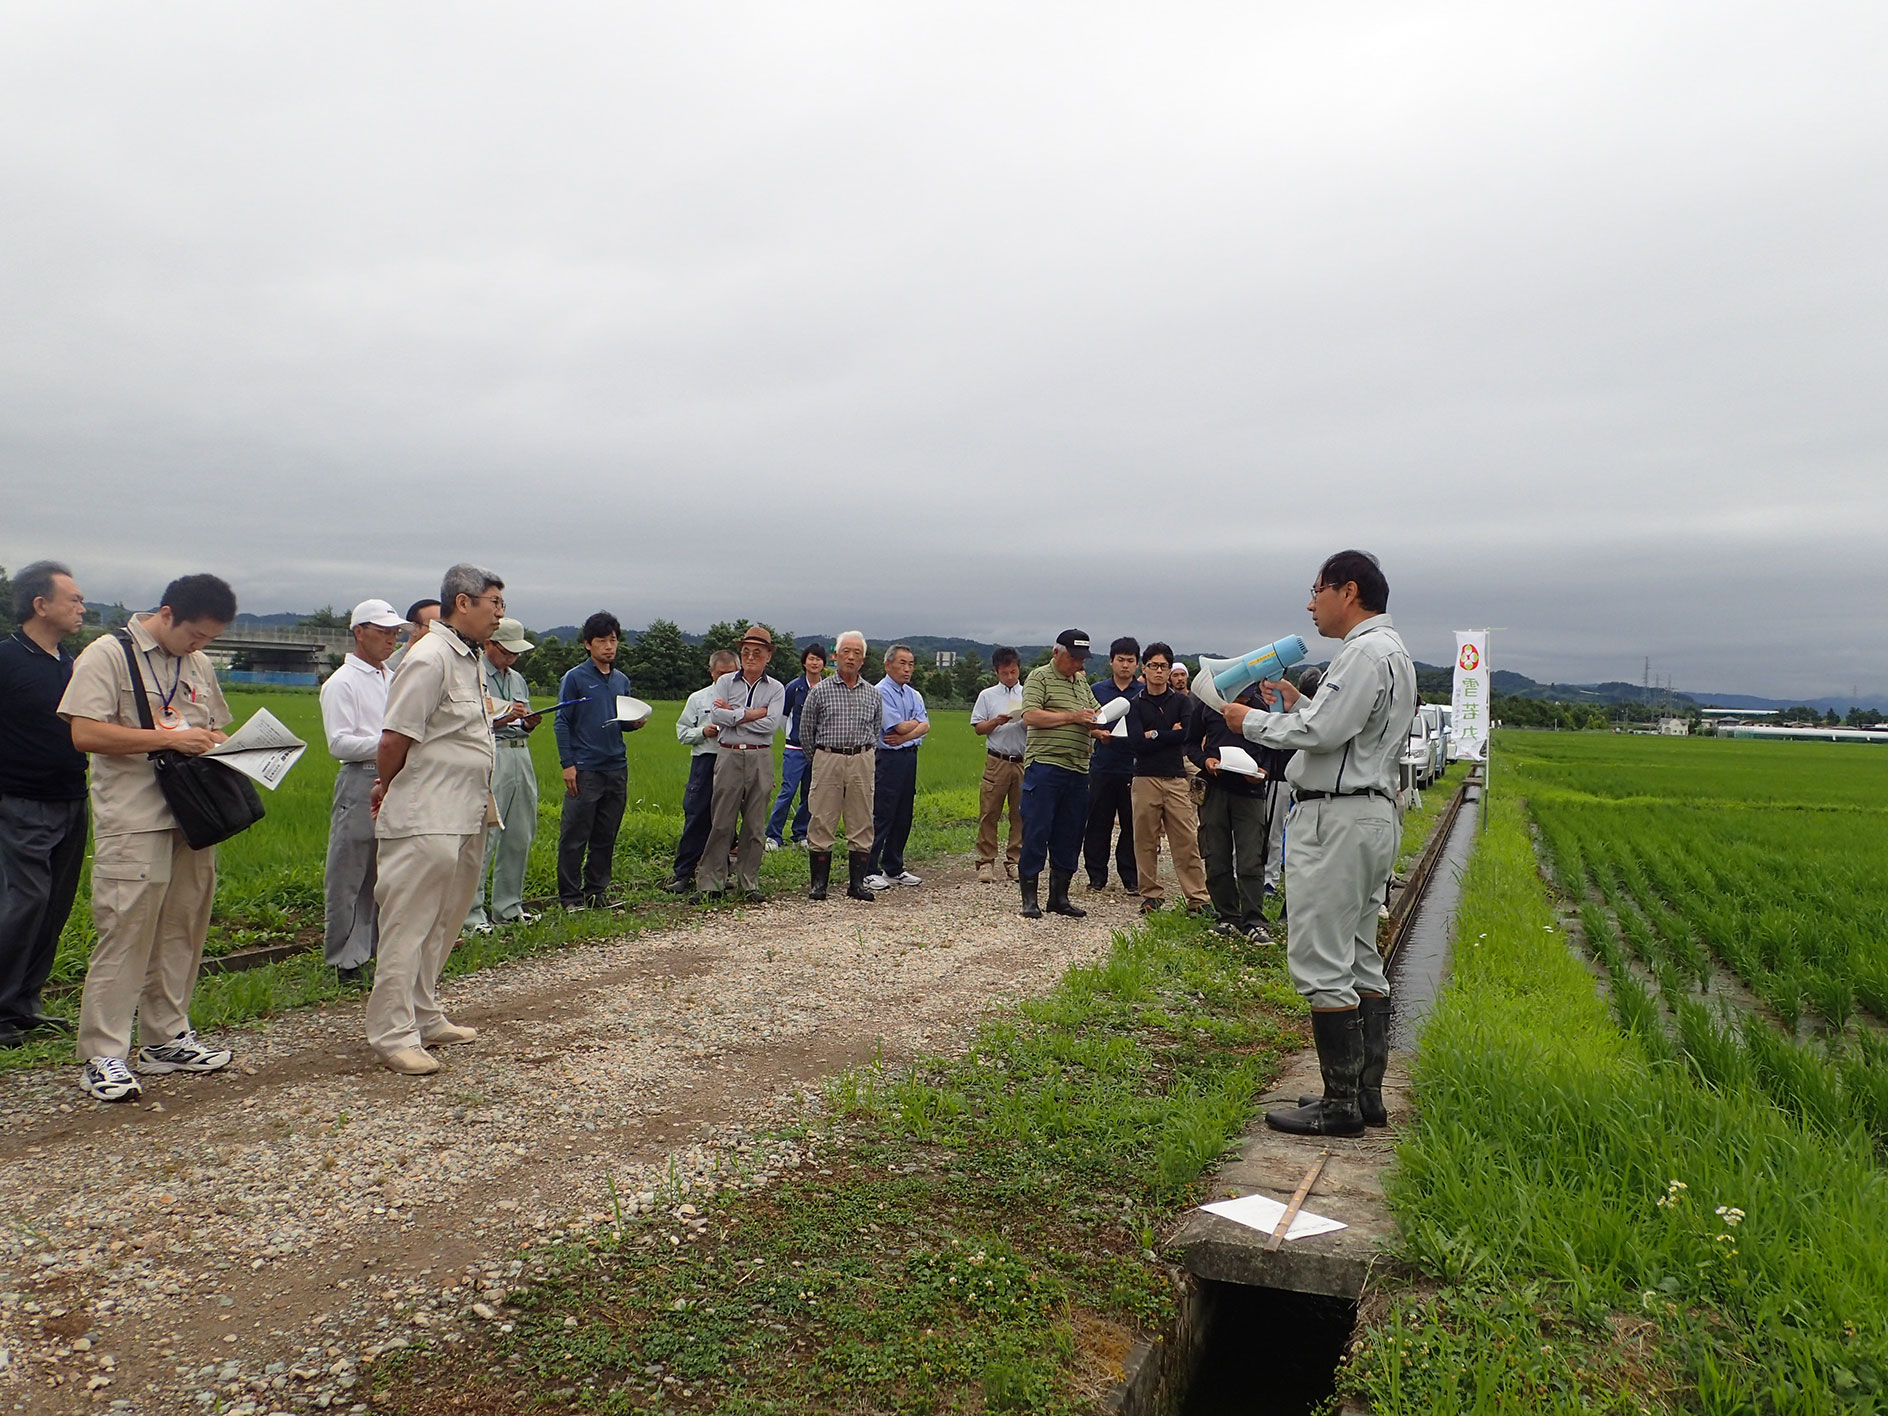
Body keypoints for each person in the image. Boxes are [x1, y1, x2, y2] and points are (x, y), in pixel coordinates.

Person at [1223, 551, 1415, 1138]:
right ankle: (1364, 1094)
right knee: (1359, 952)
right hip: (1370, 814)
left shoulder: (1361, 652)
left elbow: (1324, 734)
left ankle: (1338, 1108)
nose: (1310, 604)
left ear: (1347, 590)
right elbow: (1342, 730)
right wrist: (1301, 705)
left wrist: (1248, 720)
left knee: (1321, 960)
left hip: (1335, 819)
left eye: (1316, 591)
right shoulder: (1394, 653)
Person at [58, 574, 239, 1102]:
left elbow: (213, 726)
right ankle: (103, 1054)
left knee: (183, 927)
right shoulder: (107, 655)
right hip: (136, 817)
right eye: (196, 635)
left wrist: (230, 744)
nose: (200, 646)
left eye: (209, 639)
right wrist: (168, 739)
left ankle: (166, 1039)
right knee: (127, 931)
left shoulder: (198, 663)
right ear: (167, 614)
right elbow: (84, 733)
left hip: (195, 816)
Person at [366, 564, 504, 1077]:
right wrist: (388, 785)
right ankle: (391, 1032)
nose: (500, 614)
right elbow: (393, 739)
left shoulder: (468, 658)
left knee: (445, 919)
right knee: (408, 922)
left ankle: (424, 1013)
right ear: (463, 603)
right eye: (494, 603)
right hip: (426, 813)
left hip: (465, 810)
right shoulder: (428, 657)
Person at [0, 561, 90, 1047]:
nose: (81, 607)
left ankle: (24, 1004)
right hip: (20, 802)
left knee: (53, 906)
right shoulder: (6, 660)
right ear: (40, 605)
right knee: (23, 902)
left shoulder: (69, 663)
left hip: (72, 797)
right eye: (73, 599)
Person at [318, 598, 405, 985]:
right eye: (383, 632)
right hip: (361, 777)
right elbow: (339, 743)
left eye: (394, 633)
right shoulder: (342, 682)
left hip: (396, 776)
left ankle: (378, 949)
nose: (391, 639)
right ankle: (346, 960)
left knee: (386, 869)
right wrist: (390, 742)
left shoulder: (391, 676)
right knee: (352, 870)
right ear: (359, 632)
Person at [552, 612, 644, 910]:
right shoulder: (575, 678)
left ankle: (596, 892)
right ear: (587, 644)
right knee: (575, 835)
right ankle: (569, 897)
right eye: (602, 641)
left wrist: (634, 724)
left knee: (606, 834)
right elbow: (562, 722)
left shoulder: (621, 681)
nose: (609, 646)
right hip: (585, 768)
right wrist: (568, 764)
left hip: (616, 766)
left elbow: (620, 722)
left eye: (613, 640)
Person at [462, 618, 543, 933]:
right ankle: (471, 915)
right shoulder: (473, 673)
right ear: (490, 645)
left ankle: (509, 907)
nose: (511, 659)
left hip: (520, 754)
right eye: (507, 652)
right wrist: (504, 717)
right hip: (490, 752)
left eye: (516, 654)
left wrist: (527, 722)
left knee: (520, 832)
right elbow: (468, 722)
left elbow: (520, 720)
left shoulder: (518, 679)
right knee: (485, 834)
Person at [694, 625, 785, 902]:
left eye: (757, 652)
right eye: (746, 651)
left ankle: (749, 883)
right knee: (721, 821)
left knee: (755, 825)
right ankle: (711, 883)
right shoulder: (725, 682)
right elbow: (717, 717)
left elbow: (770, 725)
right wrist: (751, 713)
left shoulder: (777, 688)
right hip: (728, 754)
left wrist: (735, 713)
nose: (750, 656)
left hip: (760, 756)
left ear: (768, 655)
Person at [1017, 630, 1102, 919]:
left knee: (1070, 833)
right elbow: (1030, 716)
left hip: (1078, 769)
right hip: (1046, 766)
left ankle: (1059, 897)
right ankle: (1029, 897)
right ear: (1057, 653)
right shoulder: (1039, 677)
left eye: (1082, 659)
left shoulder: (1081, 681)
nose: (1079, 664)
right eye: (1074, 658)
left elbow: (1095, 713)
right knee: (1037, 830)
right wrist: (1072, 717)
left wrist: (1100, 729)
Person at [1193, 682, 1287, 941]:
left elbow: (1273, 748)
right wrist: (1205, 761)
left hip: (1250, 793)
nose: (1243, 695)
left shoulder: (1261, 708)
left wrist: (1263, 772)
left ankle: (1255, 920)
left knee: (1250, 858)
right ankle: (1227, 916)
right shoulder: (1208, 707)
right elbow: (1189, 743)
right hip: (1214, 788)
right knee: (1216, 855)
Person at [1126, 644, 1211, 914]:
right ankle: (1151, 895)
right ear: (1144, 668)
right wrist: (1165, 733)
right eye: (1153, 666)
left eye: (1164, 666)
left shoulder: (1182, 702)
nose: (1159, 671)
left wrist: (1155, 734)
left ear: (1170, 669)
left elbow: (1185, 736)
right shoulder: (1135, 704)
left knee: (1186, 839)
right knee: (1145, 840)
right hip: (1145, 777)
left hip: (1176, 777)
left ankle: (1197, 898)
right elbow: (1137, 742)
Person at [799, 632, 881, 902]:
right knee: (822, 817)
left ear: (863, 659)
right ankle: (818, 884)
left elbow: (876, 728)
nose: (851, 657)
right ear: (835, 655)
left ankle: (856, 884)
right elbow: (806, 730)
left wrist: (863, 756)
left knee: (861, 819)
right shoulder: (820, 691)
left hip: (862, 758)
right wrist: (821, 758)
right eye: (846, 651)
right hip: (827, 758)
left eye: (857, 652)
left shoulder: (872, 693)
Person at [668, 649, 738, 894]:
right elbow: (681, 732)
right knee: (697, 816)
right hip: (705, 760)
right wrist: (703, 732)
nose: (726, 679)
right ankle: (683, 873)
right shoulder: (697, 699)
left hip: (733, 761)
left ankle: (721, 873)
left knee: (726, 820)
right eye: (721, 674)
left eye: (731, 674)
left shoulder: (743, 698)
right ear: (711, 672)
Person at [863, 645, 929, 892]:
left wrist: (906, 734)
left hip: (909, 757)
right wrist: (911, 729)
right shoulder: (879, 692)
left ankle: (894, 866)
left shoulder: (914, 694)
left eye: (911, 664)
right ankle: (869, 868)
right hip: (887, 759)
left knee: (904, 812)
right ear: (888, 664)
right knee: (882, 812)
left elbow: (925, 726)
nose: (907, 669)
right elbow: (898, 728)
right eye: (902, 663)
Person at [1083, 636, 1142, 891]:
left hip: (1133, 766)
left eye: (1130, 661)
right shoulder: (1097, 690)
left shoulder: (1143, 692)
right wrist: (1098, 734)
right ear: (1111, 662)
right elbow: (1087, 723)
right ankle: (1096, 875)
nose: (1125, 665)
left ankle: (1130, 876)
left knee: (1132, 825)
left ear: (1138, 664)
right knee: (1098, 822)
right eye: (1121, 660)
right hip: (1103, 765)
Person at [969, 646, 1027, 884]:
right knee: (989, 812)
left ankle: (1015, 861)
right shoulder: (987, 696)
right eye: (1005, 673)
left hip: (1023, 760)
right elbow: (978, 728)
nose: (1010, 677)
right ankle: (985, 862)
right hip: (997, 759)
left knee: (1021, 814)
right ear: (997, 672)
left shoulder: (1029, 693)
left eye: (1013, 672)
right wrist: (996, 722)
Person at [766, 644, 826, 850]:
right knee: (788, 791)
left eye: (818, 659)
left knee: (810, 793)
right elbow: (783, 717)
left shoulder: (827, 688)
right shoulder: (793, 687)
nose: (814, 662)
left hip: (819, 751)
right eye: (811, 658)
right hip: (795, 749)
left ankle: (801, 834)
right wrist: (793, 736)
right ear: (804, 662)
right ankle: (773, 835)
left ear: (824, 664)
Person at [386, 599, 440, 671]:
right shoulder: (394, 667)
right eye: (435, 626)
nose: (442, 631)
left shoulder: (445, 660)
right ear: (413, 629)